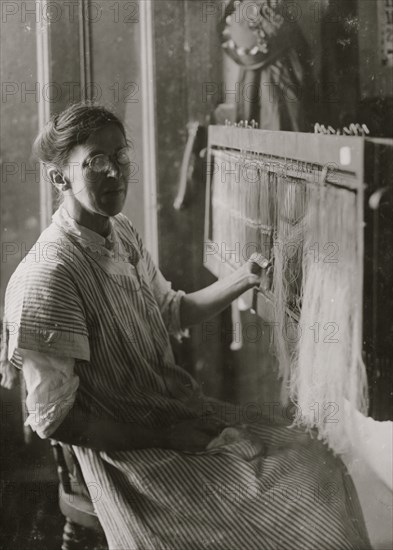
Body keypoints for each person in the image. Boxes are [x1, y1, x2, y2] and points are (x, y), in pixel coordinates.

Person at [4, 103, 371, 550]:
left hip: (174, 414)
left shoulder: (120, 233)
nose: (116, 173)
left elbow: (171, 311)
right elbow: (57, 420)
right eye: (96, 163)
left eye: (121, 156)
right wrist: (167, 436)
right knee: (303, 493)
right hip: (132, 461)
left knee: (319, 462)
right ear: (58, 177)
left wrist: (245, 277)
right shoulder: (48, 276)